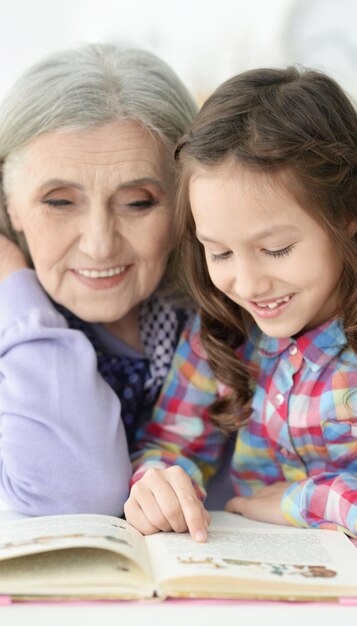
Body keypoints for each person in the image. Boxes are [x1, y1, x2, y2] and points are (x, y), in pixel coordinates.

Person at [125, 67, 357, 554]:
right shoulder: (223, 328)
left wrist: (308, 501)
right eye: (219, 253)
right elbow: (169, 444)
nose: (247, 283)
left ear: (349, 216)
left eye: (277, 248)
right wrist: (157, 482)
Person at [0, 43, 197, 515]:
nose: (99, 245)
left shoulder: (237, 316)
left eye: (138, 202)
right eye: (59, 202)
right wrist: (13, 284)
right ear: (10, 205)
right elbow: (74, 494)